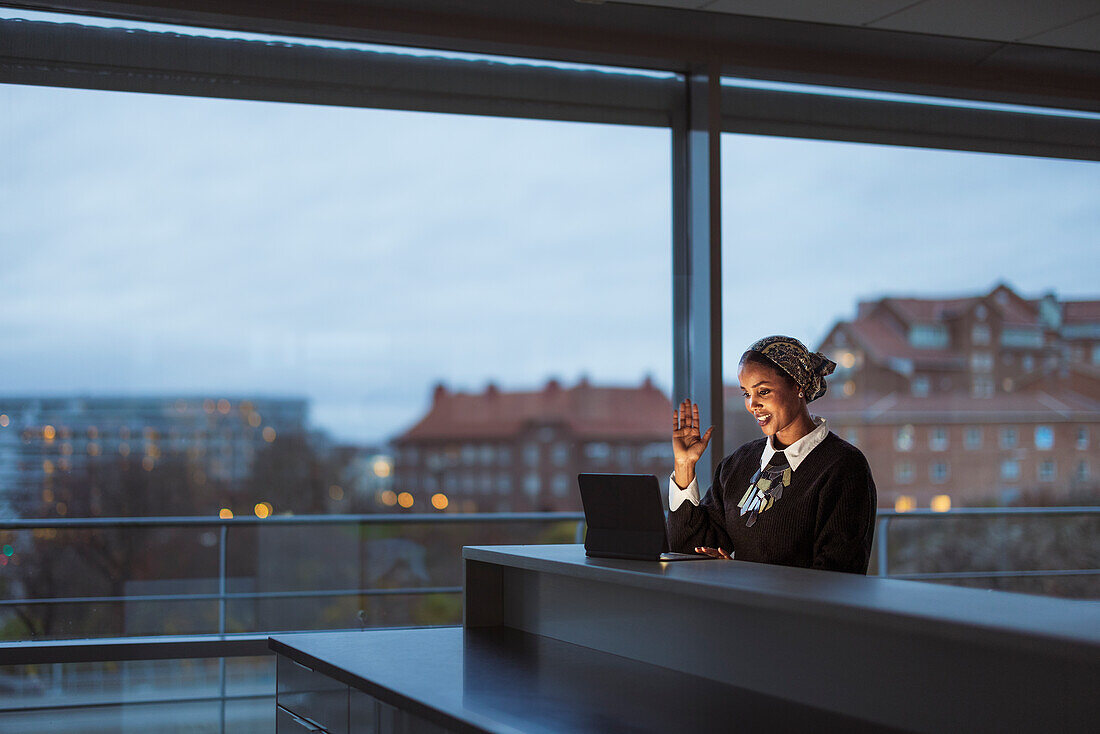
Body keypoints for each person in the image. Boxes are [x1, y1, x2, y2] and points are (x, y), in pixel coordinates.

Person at [667, 335, 877, 574]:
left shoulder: (844, 467)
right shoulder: (738, 463)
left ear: (798, 386)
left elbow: (839, 575)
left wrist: (739, 573)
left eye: (763, 392)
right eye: (746, 394)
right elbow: (688, 552)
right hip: (739, 609)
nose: (752, 405)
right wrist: (684, 467)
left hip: (797, 612)